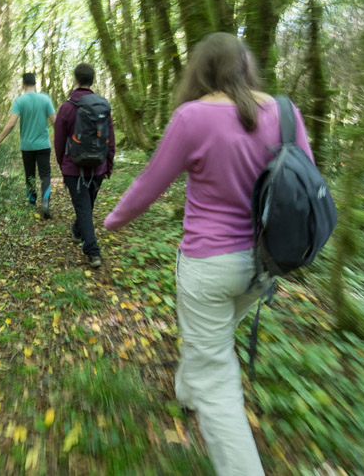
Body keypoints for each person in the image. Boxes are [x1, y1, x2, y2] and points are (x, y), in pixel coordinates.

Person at [103, 33, 314, 476]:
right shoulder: (286, 112)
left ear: (200, 70)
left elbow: (149, 183)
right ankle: (186, 388)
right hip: (264, 266)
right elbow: (306, 183)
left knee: (219, 385)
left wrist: (112, 222)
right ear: (246, 67)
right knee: (211, 342)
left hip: (207, 267)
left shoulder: (192, 117)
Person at [54, 63, 115, 268]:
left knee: (83, 208)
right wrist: (108, 164)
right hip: (97, 167)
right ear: (93, 80)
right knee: (85, 207)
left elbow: (59, 141)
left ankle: (93, 251)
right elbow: (110, 139)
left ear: (75, 79)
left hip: (75, 169)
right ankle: (78, 230)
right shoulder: (103, 106)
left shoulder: (67, 107)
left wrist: (63, 165)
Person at [0, 73, 56, 218]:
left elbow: (11, 124)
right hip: (44, 145)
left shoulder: (19, 101)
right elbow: (55, 122)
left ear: (23, 84)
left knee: (30, 175)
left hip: (27, 146)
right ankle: (45, 202)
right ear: (35, 83)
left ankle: (32, 202)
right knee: (45, 175)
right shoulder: (45, 99)